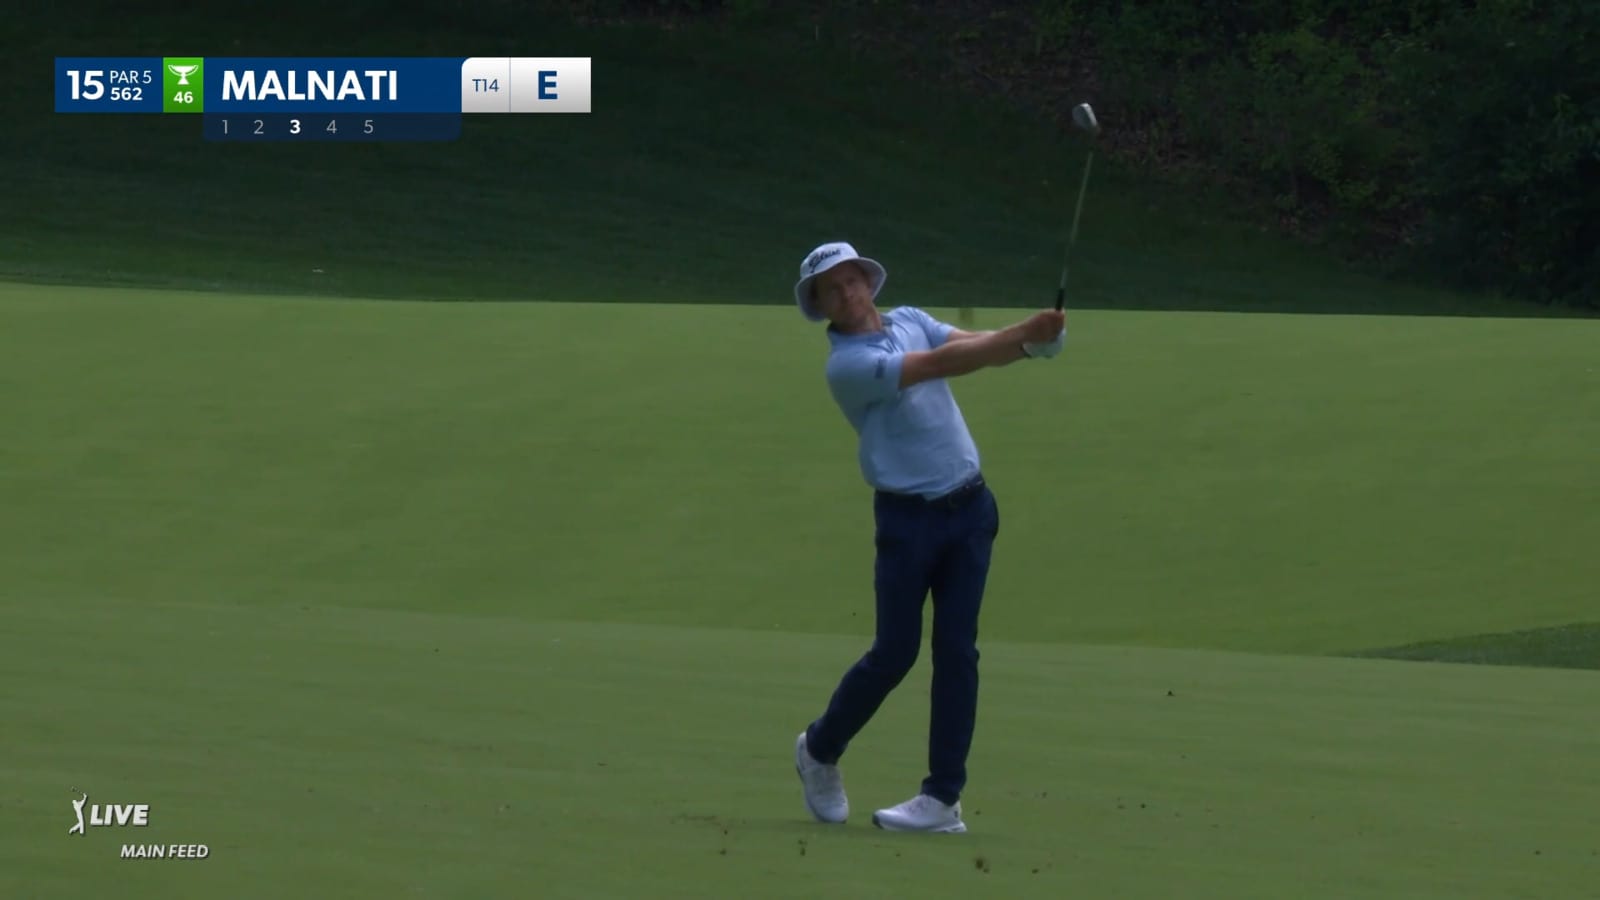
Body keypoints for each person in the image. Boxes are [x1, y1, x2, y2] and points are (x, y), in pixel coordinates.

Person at [789, 241, 1066, 833]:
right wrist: (1023, 334)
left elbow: (971, 345)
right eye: (831, 289)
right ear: (821, 306)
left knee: (958, 652)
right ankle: (819, 748)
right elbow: (940, 366)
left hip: (971, 509)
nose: (846, 292)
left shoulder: (910, 319)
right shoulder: (847, 367)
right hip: (907, 521)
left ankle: (942, 799)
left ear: (867, 280)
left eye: (851, 279)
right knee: (895, 653)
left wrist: (1032, 344)